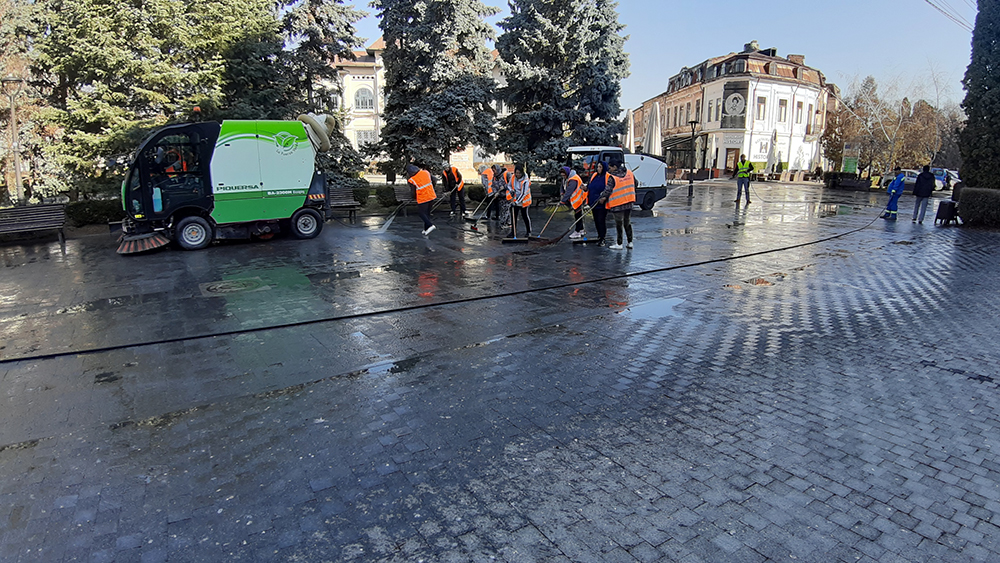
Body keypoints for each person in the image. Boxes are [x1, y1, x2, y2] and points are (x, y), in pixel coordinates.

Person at [597, 157, 635, 250]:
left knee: (619, 224)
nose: (609, 169)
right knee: (627, 222)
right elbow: (636, 183)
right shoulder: (629, 173)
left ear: (615, 167)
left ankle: (619, 243)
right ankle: (630, 242)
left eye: (610, 167)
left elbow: (607, 190)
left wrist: (601, 197)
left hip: (618, 204)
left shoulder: (612, 177)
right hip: (629, 202)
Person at [407, 164, 436, 235]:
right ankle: (426, 229)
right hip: (431, 195)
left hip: (423, 198)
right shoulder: (426, 172)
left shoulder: (412, 180)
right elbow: (434, 180)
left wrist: (413, 197)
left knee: (421, 213)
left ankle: (430, 225)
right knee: (427, 213)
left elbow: (413, 191)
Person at [559, 166, 587, 239]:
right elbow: (562, 186)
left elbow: (569, 191)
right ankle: (581, 230)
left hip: (579, 198)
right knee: (578, 214)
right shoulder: (566, 178)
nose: (563, 177)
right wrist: (562, 193)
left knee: (578, 215)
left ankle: (577, 231)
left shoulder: (573, 180)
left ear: (567, 173)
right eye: (562, 176)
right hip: (576, 199)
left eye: (564, 175)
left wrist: (563, 201)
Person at [587, 161, 609, 245]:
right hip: (593, 202)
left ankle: (602, 237)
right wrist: (585, 188)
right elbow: (590, 186)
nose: (598, 169)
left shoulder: (607, 177)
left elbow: (609, 189)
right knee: (596, 220)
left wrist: (604, 197)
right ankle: (599, 236)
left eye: (600, 167)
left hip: (602, 203)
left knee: (601, 220)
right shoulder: (594, 176)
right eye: (598, 167)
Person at [507, 164, 532, 238]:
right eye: (516, 173)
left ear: (522, 173)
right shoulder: (513, 177)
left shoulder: (525, 181)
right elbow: (509, 185)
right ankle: (513, 232)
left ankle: (528, 231)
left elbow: (523, 193)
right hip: (515, 199)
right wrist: (511, 190)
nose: (517, 175)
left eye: (519, 173)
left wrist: (517, 202)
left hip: (524, 201)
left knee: (524, 215)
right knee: (513, 216)